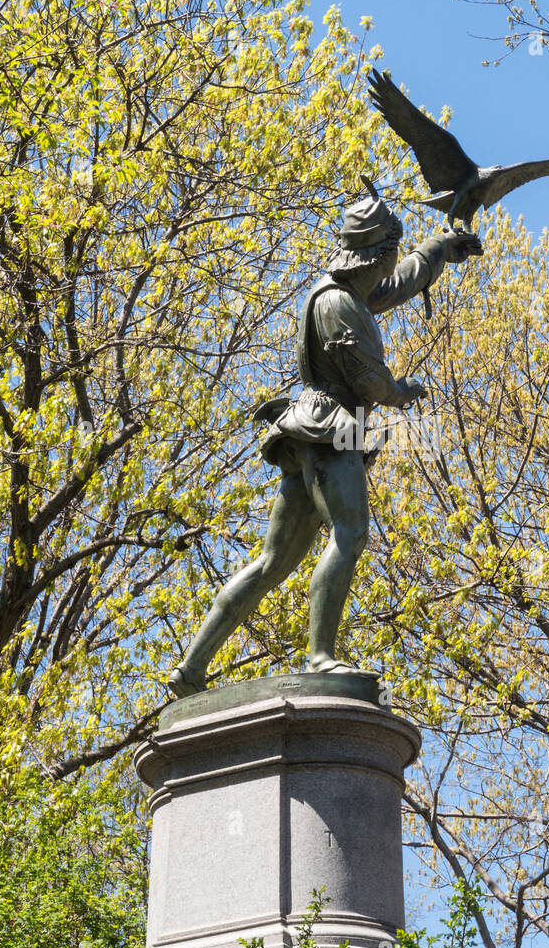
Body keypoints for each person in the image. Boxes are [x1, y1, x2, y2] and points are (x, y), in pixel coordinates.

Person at [167, 177, 482, 697]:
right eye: (392, 252)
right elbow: (369, 382)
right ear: (375, 255)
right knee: (350, 534)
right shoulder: (338, 305)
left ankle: (192, 666)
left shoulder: (348, 293)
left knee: (272, 562)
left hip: (312, 434)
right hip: (333, 432)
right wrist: (402, 391)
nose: (393, 261)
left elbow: (398, 284)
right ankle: (320, 656)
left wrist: (439, 249)